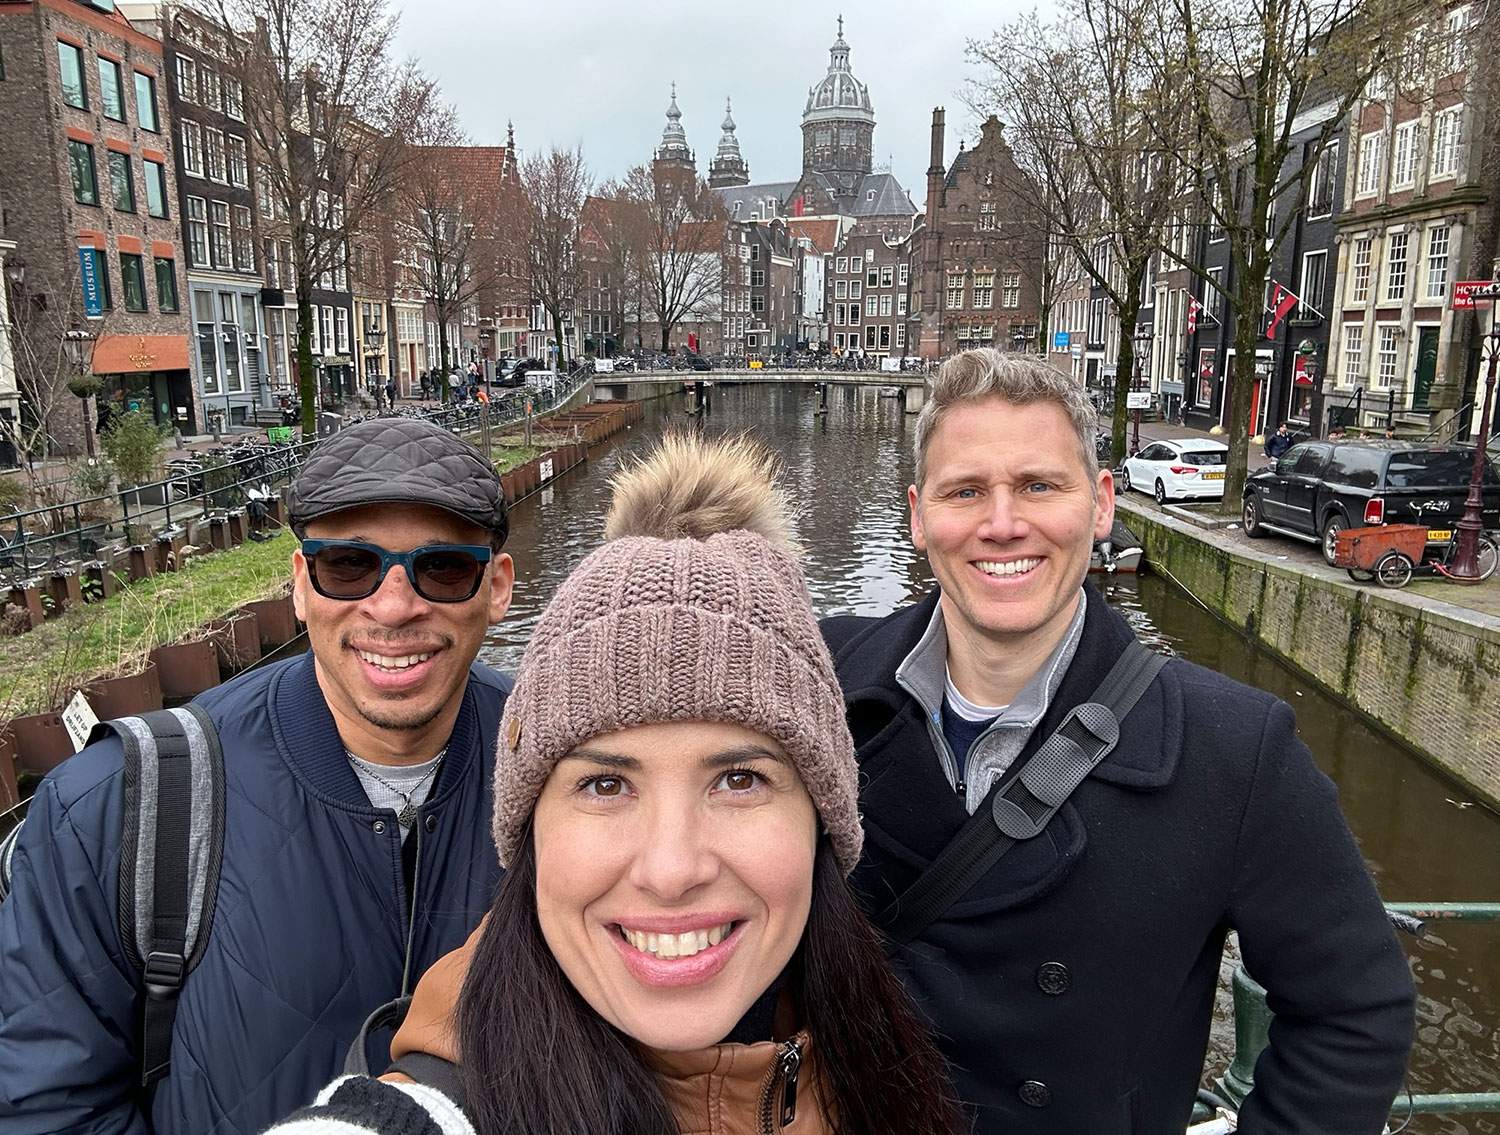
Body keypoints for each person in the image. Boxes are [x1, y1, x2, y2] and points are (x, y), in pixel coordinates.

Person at [264, 434, 961, 1135]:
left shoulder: (885, 1069)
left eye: (739, 778)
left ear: (822, 815)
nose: (670, 868)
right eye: (604, 785)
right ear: (530, 828)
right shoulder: (451, 1100)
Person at [820, 349, 1416, 1133]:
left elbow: (1356, 1007)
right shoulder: (820, 678)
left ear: (1101, 504)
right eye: (966, 490)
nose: (1003, 522)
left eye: (1039, 485)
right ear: (919, 516)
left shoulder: (1234, 749)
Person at [0, 417, 517, 1134]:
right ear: (301, 584)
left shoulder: (563, 768)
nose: (395, 606)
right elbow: (49, 1109)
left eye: (444, 568)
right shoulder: (116, 807)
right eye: (349, 565)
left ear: (496, 587)